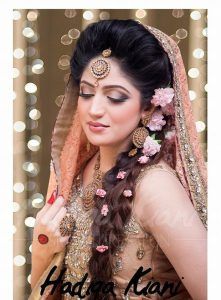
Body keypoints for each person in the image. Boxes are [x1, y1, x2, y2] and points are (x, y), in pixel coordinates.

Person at [29, 19, 207, 300]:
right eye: (86, 93)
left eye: (114, 97)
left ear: (148, 106)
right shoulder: (79, 170)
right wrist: (42, 249)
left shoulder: (155, 187)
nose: (94, 109)